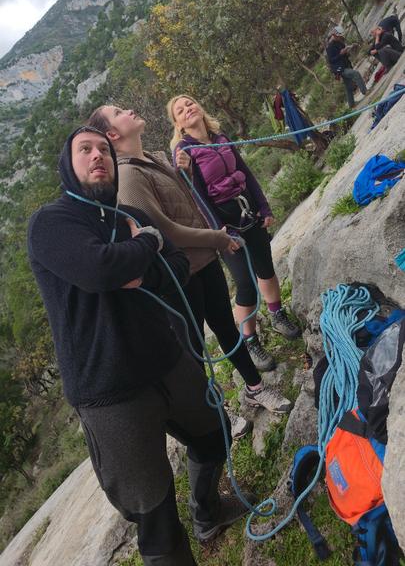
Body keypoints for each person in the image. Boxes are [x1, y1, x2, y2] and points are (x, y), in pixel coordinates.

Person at [28, 126, 253, 566]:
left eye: (104, 150)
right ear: (67, 165)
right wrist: (146, 243)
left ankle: (206, 513)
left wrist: (140, 266)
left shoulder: (127, 214)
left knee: (215, 433)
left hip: (166, 360)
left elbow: (176, 266)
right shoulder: (51, 223)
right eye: (85, 150)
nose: (98, 156)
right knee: (153, 512)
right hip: (109, 390)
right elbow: (100, 270)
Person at [87, 106, 289, 413]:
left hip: (203, 262)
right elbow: (163, 231)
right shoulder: (128, 177)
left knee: (226, 328)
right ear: (112, 134)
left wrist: (186, 174)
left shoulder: (154, 157)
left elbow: (184, 202)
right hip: (179, 276)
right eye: (118, 112)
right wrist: (216, 238)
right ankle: (214, 414)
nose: (128, 110)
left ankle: (255, 388)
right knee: (193, 349)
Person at [166, 94, 300, 349]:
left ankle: (277, 314)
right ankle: (250, 339)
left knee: (266, 268)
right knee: (245, 284)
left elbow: (245, 172)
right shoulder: (184, 151)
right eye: (180, 110)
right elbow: (197, 198)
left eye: (190, 103)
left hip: (249, 212)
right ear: (178, 124)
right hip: (224, 226)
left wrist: (263, 207)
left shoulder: (220, 138)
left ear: (199, 106)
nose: (187, 109)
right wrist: (222, 233)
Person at [326, 26, 367, 107]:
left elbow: (345, 53)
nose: (340, 38)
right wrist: (340, 54)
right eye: (338, 36)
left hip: (346, 64)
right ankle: (365, 91)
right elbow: (331, 60)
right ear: (334, 35)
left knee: (349, 86)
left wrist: (349, 49)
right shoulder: (329, 47)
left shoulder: (340, 42)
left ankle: (351, 104)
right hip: (340, 68)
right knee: (356, 74)